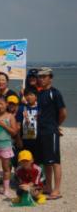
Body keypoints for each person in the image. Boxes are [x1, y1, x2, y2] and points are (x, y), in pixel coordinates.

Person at [37, 67, 67, 200]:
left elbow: (63, 112)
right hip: (42, 131)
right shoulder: (41, 93)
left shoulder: (55, 93)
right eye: (40, 77)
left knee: (55, 161)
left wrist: (56, 125)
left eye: (45, 76)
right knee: (46, 161)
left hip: (51, 131)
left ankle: (57, 190)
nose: (42, 79)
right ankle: (48, 186)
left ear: (50, 77)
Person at [16, 88, 39, 162]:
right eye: (27, 95)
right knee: (25, 159)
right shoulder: (21, 108)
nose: (29, 97)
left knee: (37, 160)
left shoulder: (41, 108)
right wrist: (18, 139)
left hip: (38, 139)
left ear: (36, 96)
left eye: (31, 95)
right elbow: (18, 125)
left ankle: (39, 173)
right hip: (25, 139)